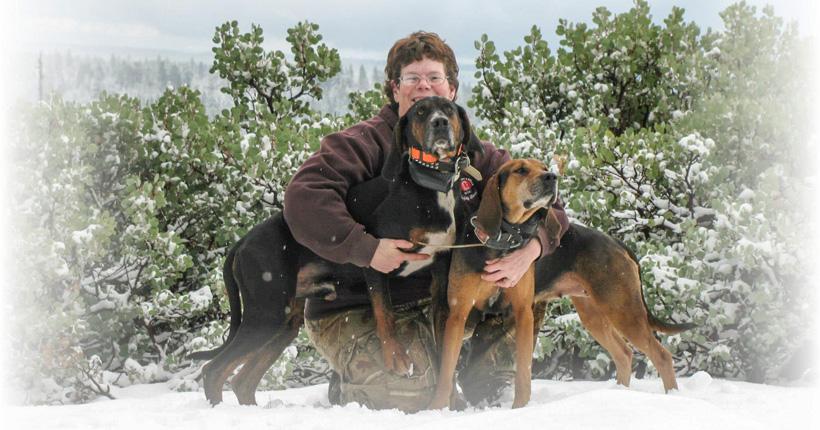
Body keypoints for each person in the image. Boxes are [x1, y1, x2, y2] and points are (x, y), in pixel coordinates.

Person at [283, 31, 568, 412]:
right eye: (412, 78)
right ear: (394, 88)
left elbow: (552, 206)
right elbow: (304, 197)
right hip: (357, 304)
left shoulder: (473, 154)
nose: (423, 87)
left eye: (434, 78)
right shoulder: (363, 143)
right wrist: (366, 249)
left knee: (526, 288)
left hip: (441, 302)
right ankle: (358, 379)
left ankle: (488, 379)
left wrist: (531, 250)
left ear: (451, 90)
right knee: (407, 397)